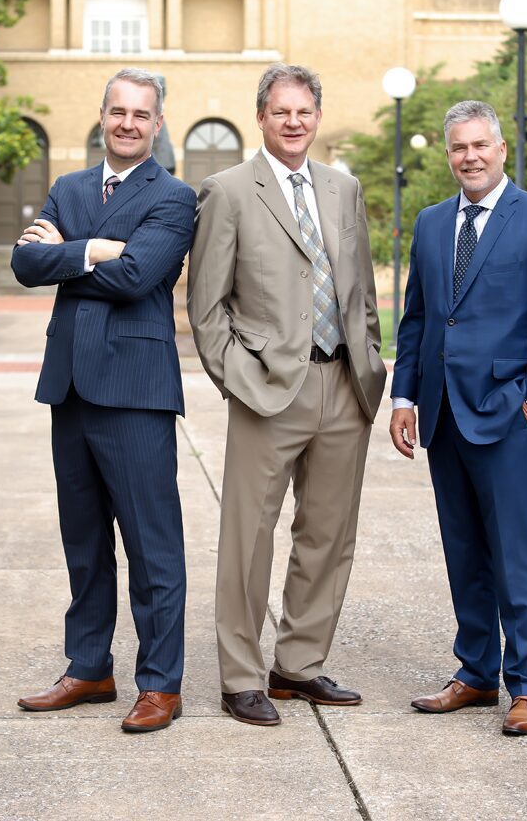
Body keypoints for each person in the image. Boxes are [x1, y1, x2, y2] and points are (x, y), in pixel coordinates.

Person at [187, 63, 386, 726]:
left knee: (328, 534)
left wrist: (371, 360)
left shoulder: (344, 188)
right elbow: (206, 303)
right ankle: (241, 676)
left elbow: (360, 290)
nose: (294, 121)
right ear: (262, 117)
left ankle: (297, 663)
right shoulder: (227, 190)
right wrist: (232, 375)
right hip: (267, 389)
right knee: (248, 537)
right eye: (281, 111)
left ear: (316, 116)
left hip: (343, 386)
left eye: (304, 111)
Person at [11, 68, 196, 734]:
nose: (126, 123)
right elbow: (24, 264)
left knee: (153, 546)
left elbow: (139, 276)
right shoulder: (68, 187)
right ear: (101, 115)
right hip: (70, 387)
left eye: (140, 114)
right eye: (117, 111)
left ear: (158, 124)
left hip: (136, 392)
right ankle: (89, 666)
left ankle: (160, 683)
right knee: (84, 542)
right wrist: (90, 247)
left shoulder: (174, 197)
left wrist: (65, 253)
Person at [389, 100, 527, 736]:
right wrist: (404, 398)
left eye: (479, 146)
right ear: (448, 155)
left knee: (515, 554)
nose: (469, 157)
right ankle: (475, 673)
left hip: (506, 412)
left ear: (501, 150)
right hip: (442, 413)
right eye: (457, 148)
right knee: (464, 550)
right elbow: (418, 317)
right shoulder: (431, 222)